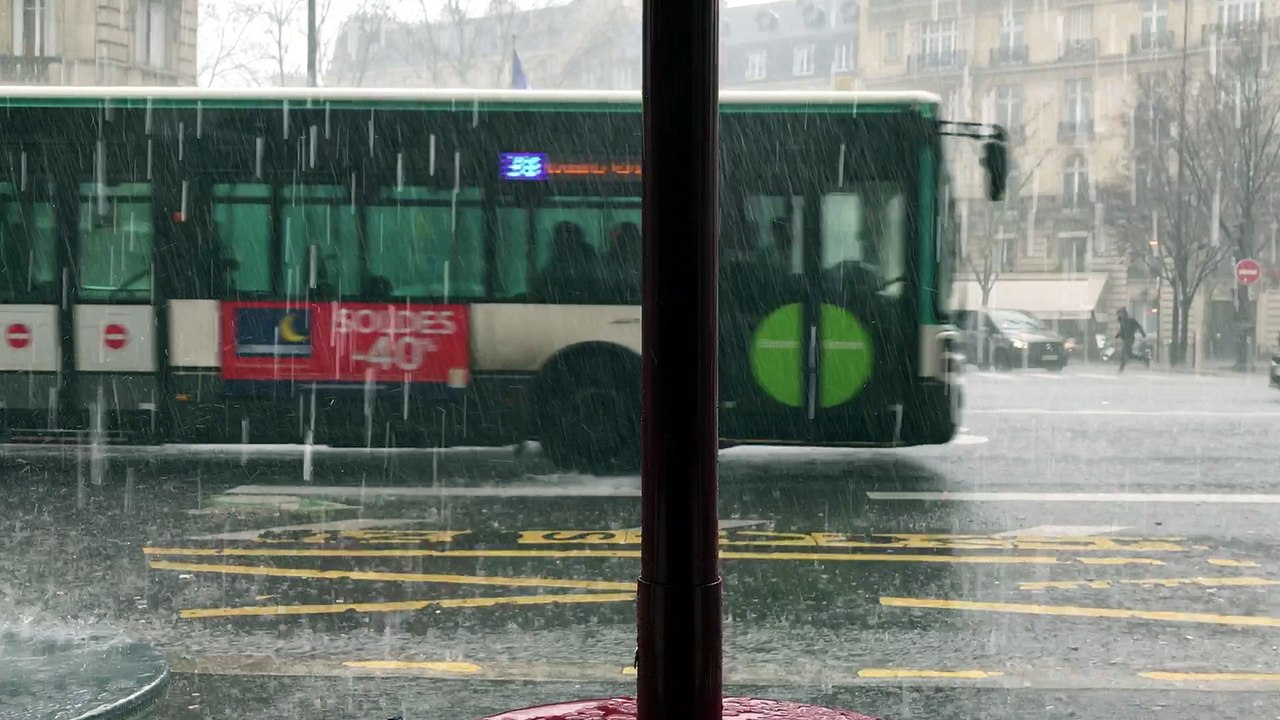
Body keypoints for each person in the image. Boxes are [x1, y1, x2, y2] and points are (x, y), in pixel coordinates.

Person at [1115, 308, 1148, 373]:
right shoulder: (1122, 321)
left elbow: (1139, 326)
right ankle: (1144, 359)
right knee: (1129, 355)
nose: (1119, 316)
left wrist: (1143, 333)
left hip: (1129, 339)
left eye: (1120, 314)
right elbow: (1121, 330)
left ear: (1124, 314)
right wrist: (1118, 335)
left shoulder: (1131, 320)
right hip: (1125, 339)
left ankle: (1122, 366)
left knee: (1123, 353)